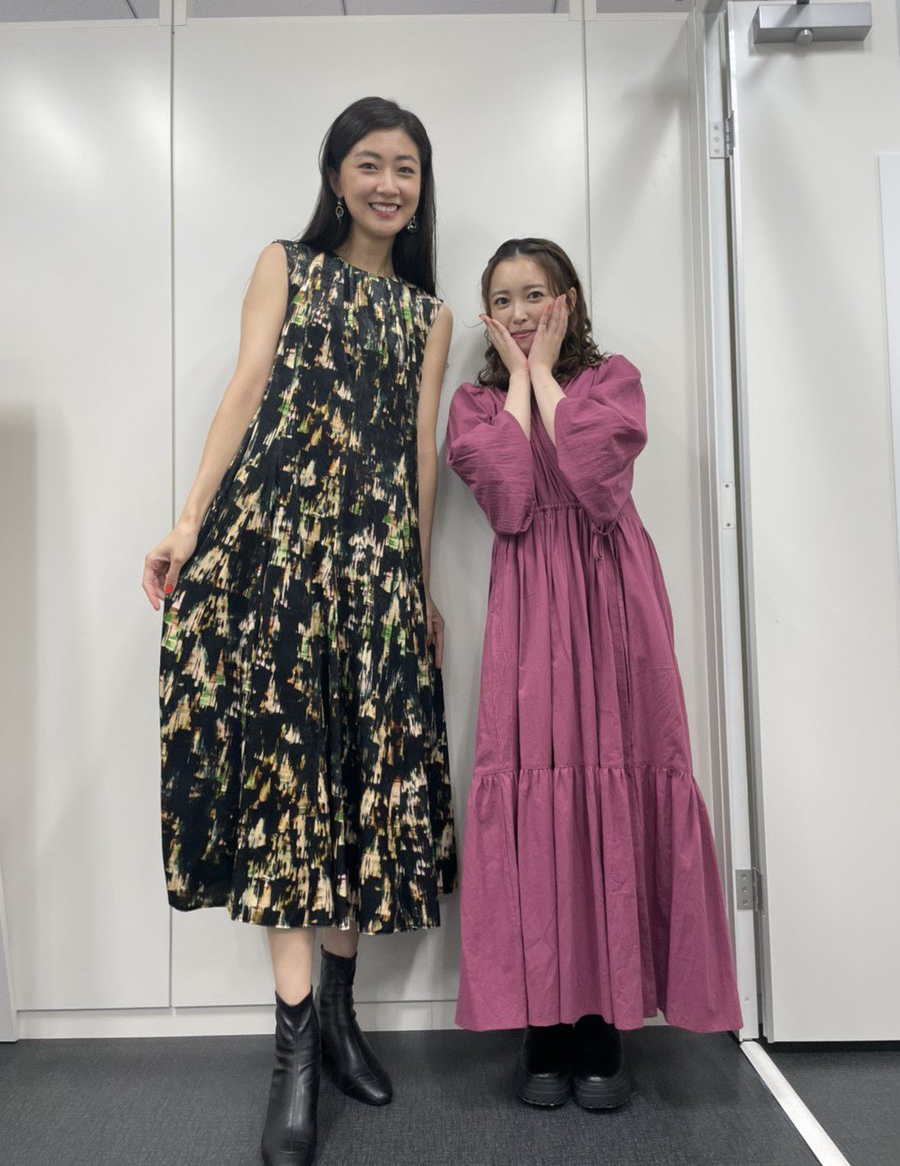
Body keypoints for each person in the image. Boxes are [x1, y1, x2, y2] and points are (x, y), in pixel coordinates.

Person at [142, 96, 457, 1166]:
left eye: (405, 167)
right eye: (369, 163)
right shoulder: (287, 264)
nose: (387, 183)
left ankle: (338, 1017)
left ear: (421, 186)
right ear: (335, 177)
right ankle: (292, 1057)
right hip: (273, 558)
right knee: (289, 788)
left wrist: (419, 586)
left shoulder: (427, 316)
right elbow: (245, 391)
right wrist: (190, 520)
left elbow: (418, 457)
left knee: (360, 786)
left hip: (373, 574)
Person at [445, 237, 741, 1111]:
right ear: (487, 314)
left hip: (613, 602)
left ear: (567, 300)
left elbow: (595, 480)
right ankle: (544, 1023)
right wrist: (517, 383)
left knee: (617, 781)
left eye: (535, 294)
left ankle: (605, 1021)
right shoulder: (475, 404)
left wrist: (541, 378)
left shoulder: (612, 382)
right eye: (504, 299)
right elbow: (508, 501)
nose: (520, 312)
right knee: (537, 788)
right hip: (531, 606)